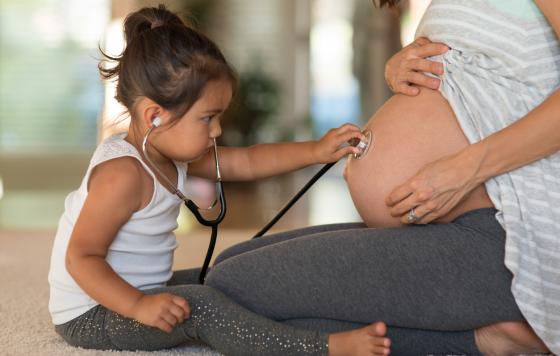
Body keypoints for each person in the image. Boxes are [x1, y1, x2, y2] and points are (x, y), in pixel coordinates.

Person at [204, 0, 559, 354]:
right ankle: (489, 336)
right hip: (451, 230)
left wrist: (465, 169)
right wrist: (402, 66)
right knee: (232, 268)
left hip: (509, 237)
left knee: (233, 288)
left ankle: (488, 342)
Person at [47, 5, 394, 355]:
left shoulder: (167, 152)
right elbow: (81, 258)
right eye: (207, 118)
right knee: (205, 309)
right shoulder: (122, 175)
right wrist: (139, 305)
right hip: (94, 313)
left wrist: (317, 150)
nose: (218, 130)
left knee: (229, 278)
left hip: (141, 289)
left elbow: (246, 161)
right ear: (155, 116)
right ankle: (322, 348)